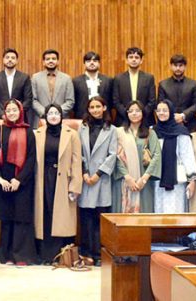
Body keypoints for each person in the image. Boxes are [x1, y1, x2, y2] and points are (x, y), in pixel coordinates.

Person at [33, 104, 82, 264]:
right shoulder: (38, 133)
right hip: (43, 177)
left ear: (61, 116)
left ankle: (61, 255)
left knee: (61, 216)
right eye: (50, 113)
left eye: (56, 113)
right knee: (45, 212)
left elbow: (76, 161)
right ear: (45, 116)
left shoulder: (72, 134)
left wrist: (75, 186)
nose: (53, 116)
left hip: (63, 179)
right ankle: (45, 255)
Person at [0, 99, 36, 266]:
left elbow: (31, 159)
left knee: (21, 218)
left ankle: (20, 256)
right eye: (8, 110)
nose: (11, 113)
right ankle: (6, 255)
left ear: (20, 111)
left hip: (22, 182)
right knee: (7, 218)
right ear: (4, 113)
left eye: (14, 110)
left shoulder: (29, 132)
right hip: (3, 181)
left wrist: (19, 179)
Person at [78, 96, 117, 266]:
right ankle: (86, 253)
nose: (94, 110)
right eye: (91, 107)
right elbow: (78, 152)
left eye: (97, 106)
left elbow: (113, 154)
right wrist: (85, 172)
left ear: (104, 108)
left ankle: (99, 254)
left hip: (101, 179)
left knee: (99, 220)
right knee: (86, 218)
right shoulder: (82, 128)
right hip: (86, 179)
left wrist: (98, 174)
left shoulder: (112, 129)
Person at [111, 101, 161, 213]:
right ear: (127, 113)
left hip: (143, 183)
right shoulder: (119, 132)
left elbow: (156, 156)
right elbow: (115, 156)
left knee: (143, 216)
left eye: (137, 111)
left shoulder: (150, 133)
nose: (134, 113)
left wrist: (143, 179)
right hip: (123, 181)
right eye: (131, 111)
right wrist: (127, 177)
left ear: (143, 113)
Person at [153, 100, 196, 213]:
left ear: (171, 112)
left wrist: (192, 181)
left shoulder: (180, 132)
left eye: (165, 110)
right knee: (158, 212)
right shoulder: (153, 131)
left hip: (176, 180)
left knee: (175, 210)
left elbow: (187, 156)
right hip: (157, 180)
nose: (161, 113)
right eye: (159, 110)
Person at [113, 47, 156, 127]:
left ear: (141, 60)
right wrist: (128, 114)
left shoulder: (149, 78)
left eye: (136, 57)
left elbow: (152, 101)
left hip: (145, 120)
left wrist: (141, 114)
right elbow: (116, 101)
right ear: (126, 60)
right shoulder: (118, 78)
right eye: (131, 57)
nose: (134, 60)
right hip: (123, 120)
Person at [31, 49, 74, 128]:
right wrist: (46, 112)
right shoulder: (35, 77)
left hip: (62, 120)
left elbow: (70, 101)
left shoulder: (66, 78)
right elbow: (33, 100)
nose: (51, 61)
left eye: (53, 59)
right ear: (43, 62)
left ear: (58, 61)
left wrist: (56, 112)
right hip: (41, 120)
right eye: (48, 59)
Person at [158, 54, 196, 131]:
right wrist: (173, 117)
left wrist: (183, 115)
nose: (178, 68)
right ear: (171, 66)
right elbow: (160, 104)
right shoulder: (163, 84)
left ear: (185, 67)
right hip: (169, 124)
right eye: (175, 65)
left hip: (190, 124)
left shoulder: (193, 84)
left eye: (180, 65)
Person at [0, 48, 33, 122]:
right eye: (7, 57)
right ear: (3, 60)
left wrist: (17, 113)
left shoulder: (24, 77)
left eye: (13, 58)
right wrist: (2, 114)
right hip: (0, 117)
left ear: (17, 60)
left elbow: (28, 99)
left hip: (20, 118)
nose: (10, 60)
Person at [72, 51, 113, 119]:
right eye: (88, 61)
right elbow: (74, 103)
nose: (92, 63)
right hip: (82, 117)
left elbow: (111, 102)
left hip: (104, 118)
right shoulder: (76, 81)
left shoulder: (108, 80)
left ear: (99, 63)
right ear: (84, 64)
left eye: (95, 60)